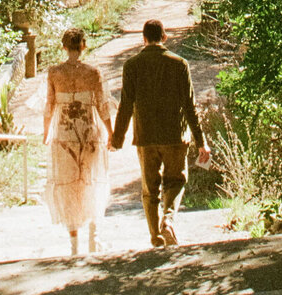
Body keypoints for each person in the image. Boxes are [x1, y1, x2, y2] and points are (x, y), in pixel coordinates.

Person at [110, 18, 211, 248]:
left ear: (143, 39)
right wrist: (201, 141)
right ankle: (168, 220)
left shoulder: (132, 65)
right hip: (175, 135)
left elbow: (125, 105)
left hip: (145, 138)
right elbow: (190, 106)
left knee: (150, 189)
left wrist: (117, 139)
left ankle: (155, 237)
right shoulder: (180, 64)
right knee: (176, 181)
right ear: (164, 37)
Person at [43, 27, 113, 256]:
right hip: (88, 132)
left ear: (64, 46)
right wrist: (111, 132)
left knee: (69, 185)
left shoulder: (54, 73)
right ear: (83, 45)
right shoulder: (93, 72)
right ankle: (93, 239)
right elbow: (103, 106)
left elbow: (49, 106)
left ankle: (74, 245)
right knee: (90, 181)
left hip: (63, 134)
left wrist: (46, 133)